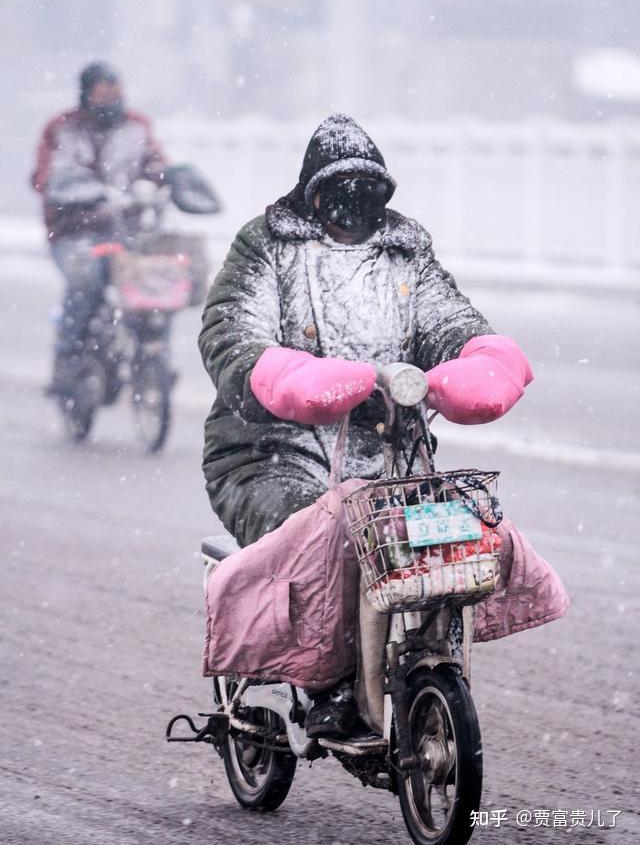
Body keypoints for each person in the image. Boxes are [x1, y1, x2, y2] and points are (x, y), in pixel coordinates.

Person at [198, 114, 544, 737]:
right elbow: (230, 333)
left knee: (457, 534)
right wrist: (292, 380)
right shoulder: (266, 247)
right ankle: (327, 679)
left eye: (368, 193)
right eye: (339, 193)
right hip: (270, 455)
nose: (353, 208)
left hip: (386, 460)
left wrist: (482, 360)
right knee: (332, 540)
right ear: (312, 195)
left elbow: (451, 321)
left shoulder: (405, 253)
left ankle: (424, 655)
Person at [31, 61, 167, 394]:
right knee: (86, 281)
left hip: (128, 232)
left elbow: (158, 165)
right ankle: (68, 361)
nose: (111, 99)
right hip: (73, 232)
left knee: (156, 284)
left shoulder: (138, 127)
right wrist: (79, 195)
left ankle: (152, 354)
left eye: (116, 91)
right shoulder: (61, 129)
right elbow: (45, 176)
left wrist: (154, 185)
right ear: (87, 93)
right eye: (104, 92)